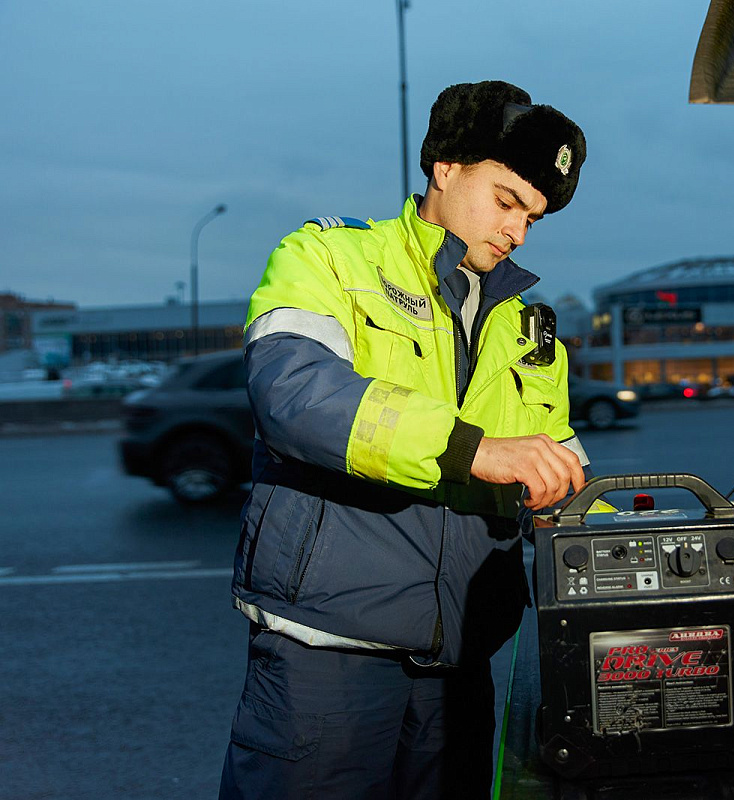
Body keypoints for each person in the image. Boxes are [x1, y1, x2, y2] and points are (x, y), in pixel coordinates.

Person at [219, 80, 589, 799]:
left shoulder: (528, 329)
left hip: (461, 665)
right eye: (507, 201)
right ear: (445, 168)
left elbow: (554, 457)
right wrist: (472, 448)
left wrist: (622, 536)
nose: (517, 231)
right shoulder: (329, 256)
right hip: (329, 660)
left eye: (534, 218)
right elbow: (293, 393)